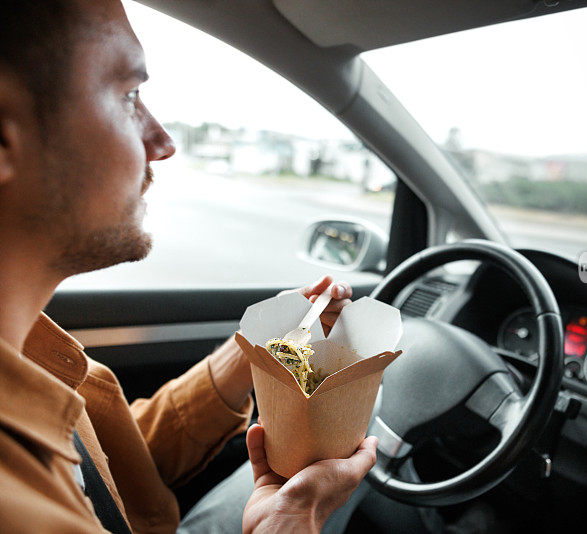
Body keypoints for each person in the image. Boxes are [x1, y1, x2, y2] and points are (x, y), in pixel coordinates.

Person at [0, 0, 377, 532]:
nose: (163, 143)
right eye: (129, 96)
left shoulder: (24, 346)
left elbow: (102, 468)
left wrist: (261, 353)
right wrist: (292, 521)